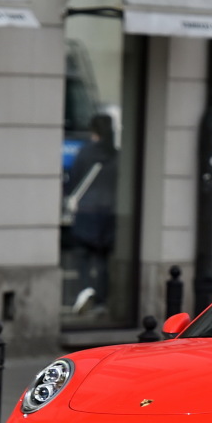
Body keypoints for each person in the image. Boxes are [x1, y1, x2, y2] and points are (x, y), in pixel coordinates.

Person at [64, 114, 118, 313]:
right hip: (109, 213)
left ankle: (86, 290)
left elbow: (73, 181)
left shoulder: (84, 153)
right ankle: (101, 302)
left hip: (87, 211)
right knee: (102, 260)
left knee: (83, 257)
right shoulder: (116, 154)